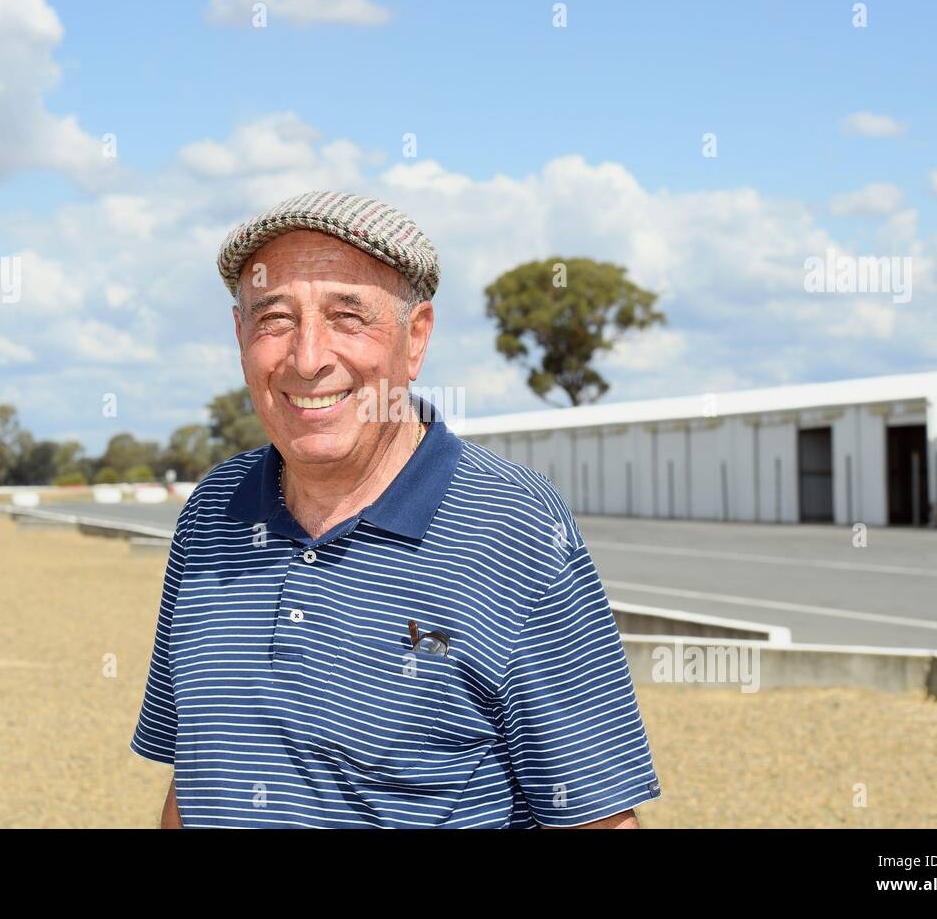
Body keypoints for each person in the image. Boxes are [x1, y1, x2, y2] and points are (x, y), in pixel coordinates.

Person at [130, 191, 662, 827]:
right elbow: (193, 779)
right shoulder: (213, 510)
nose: (307, 358)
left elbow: (597, 817)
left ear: (416, 339)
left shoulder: (514, 528)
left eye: (348, 317)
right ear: (240, 336)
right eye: (274, 319)